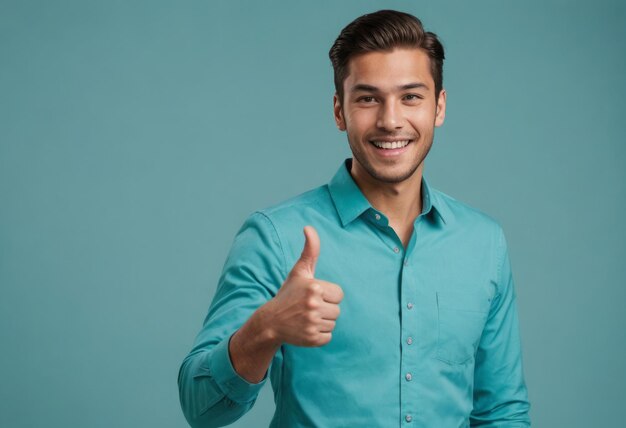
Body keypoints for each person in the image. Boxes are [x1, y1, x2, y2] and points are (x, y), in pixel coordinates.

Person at [178, 9, 530, 427]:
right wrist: (265, 329)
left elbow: (501, 412)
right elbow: (200, 408)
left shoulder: (483, 242)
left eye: (411, 97)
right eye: (368, 98)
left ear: (439, 107)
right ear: (339, 111)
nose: (390, 120)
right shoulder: (276, 237)